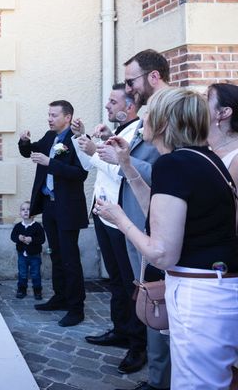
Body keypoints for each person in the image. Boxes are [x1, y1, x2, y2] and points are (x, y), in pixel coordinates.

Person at [96, 87, 238, 390]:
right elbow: (162, 216)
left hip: (200, 295)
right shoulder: (201, 159)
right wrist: (127, 165)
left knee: (196, 384)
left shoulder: (174, 164)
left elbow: (161, 253)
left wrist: (119, 219)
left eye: (148, 115)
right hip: (213, 287)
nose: (143, 120)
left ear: (162, 123)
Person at [98, 50, 171, 390]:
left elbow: (172, 172)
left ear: (153, 77)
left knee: (157, 300)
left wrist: (125, 161)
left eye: (131, 82)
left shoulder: (169, 111)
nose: (128, 90)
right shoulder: (146, 116)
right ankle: (158, 376)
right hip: (135, 219)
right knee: (146, 296)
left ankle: (162, 379)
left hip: (154, 224)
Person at [72, 84, 147, 375]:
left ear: (128, 106)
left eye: (112, 101)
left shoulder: (138, 133)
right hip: (104, 214)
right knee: (116, 280)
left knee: (131, 283)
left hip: (122, 216)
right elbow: (91, 165)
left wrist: (95, 149)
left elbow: (124, 172)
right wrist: (85, 140)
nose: (107, 106)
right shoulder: (117, 132)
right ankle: (120, 329)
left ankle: (138, 345)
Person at [18, 100, 89, 327]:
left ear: (67, 117)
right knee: (55, 254)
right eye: (48, 114)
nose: (49, 118)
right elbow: (29, 151)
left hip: (68, 206)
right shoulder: (50, 137)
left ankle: (76, 308)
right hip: (49, 205)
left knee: (70, 258)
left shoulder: (76, 140)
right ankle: (60, 298)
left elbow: (80, 173)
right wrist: (24, 142)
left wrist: (50, 163)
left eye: (54, 115)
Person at [10, 201, 44, 300]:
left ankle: (37, 290)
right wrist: (18, 237)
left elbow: (42, 239)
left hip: (35, 255)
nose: (25, 211)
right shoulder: (18, 226)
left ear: (34, 213)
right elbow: (12, 237)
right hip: (21, 255)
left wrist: (32, 239)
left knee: (35, 273)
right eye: (23, 209)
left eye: (28, 209)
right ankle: (22, 289)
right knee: (22, 273)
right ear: (20, 213)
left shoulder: (37, 226)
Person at [208, 83, 238, 183]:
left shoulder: (236, 160)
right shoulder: (207, 149)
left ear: (224, 112)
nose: (199, 104)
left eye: (207, 98)